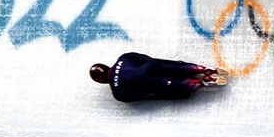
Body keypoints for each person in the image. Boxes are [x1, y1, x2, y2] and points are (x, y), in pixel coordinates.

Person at [89, 51, 226, 103]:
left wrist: (153, 92)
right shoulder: (123, 58)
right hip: (153, 66)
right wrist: (155, 64)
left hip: (153, 83)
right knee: (177, 67)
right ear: (106, 66)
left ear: (101, 81)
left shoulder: (118, 94)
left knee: (176, 86)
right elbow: (145, 58)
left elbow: (141, 96)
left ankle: (204, 82)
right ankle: (205, 69)